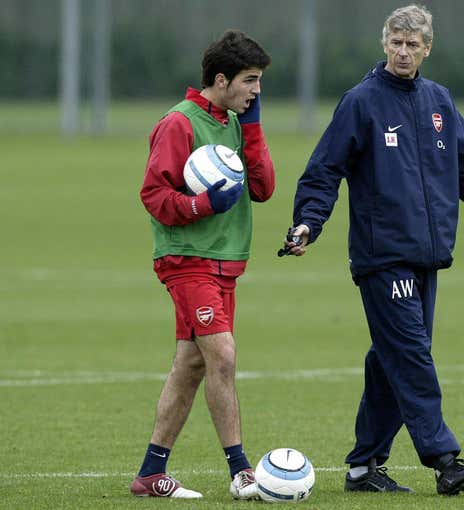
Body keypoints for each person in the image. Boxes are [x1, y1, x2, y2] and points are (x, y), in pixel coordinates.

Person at [283, 4, 464, 496]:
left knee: (392, 358)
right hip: (383, 256)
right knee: (410, 354)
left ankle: (364, 468)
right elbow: (324, 170)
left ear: (428, 48)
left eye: (412, 44)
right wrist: (307, 223)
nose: (403, 52)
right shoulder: (360, 102)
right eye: (396, 43)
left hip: (427, 256)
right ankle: (445, 460)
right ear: (385, 44)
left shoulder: (439, 102)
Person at [131, 30, 275, 500]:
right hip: (188, 261)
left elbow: (263, 188)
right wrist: (202, 205)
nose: (256, 90)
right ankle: (242, 472)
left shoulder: (236, 123)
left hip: (224, 263)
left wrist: (252, 127)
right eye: (250, 81)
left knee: (191, 364)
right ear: (221, 78)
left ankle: (151, 473)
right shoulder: (179, 123)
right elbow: (154, 194)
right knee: (223, 356)